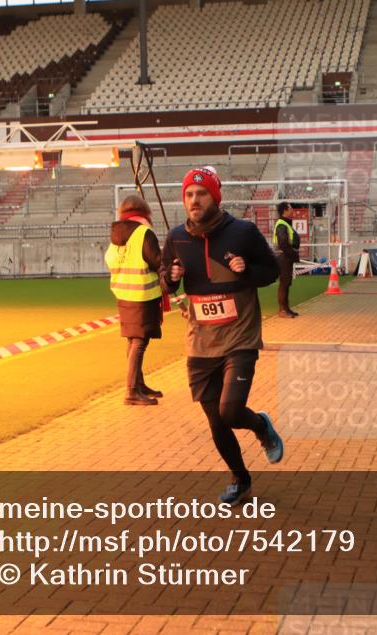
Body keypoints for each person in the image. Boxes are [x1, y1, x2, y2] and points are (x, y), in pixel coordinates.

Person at [161, 166, 284, 505]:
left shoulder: (241, 232)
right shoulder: (177, 238)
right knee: (216, 420)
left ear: (215, 197)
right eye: (188, 194)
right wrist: (171, 278)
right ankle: (240, 479)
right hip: (200, 341)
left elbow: (272, 271)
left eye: (201, 193)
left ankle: (261, 427)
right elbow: (165, 280)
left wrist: (247, 271)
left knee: (231, 411)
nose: (194, 200)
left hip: (240, 336)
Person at [105, 195, 165, 406]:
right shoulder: (143, 233)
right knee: (139, 342)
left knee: (132, 340)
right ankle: (131, 390)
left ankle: (138, 383)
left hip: (123, 293)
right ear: (144, 211)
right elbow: (157, 261)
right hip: (142, 294)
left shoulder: (116, 234)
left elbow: (109, 259)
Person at [272, 201, 300, 318]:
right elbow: (283, 243)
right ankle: (283, 310)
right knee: (284, 283)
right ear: (285, 211)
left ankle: (286, 308)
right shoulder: (282, 225)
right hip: (284, 257)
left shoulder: (284, 224)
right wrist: (293, 254)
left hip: (286, 256)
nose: (292, 210)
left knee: (287, 282)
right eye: (291, 208)